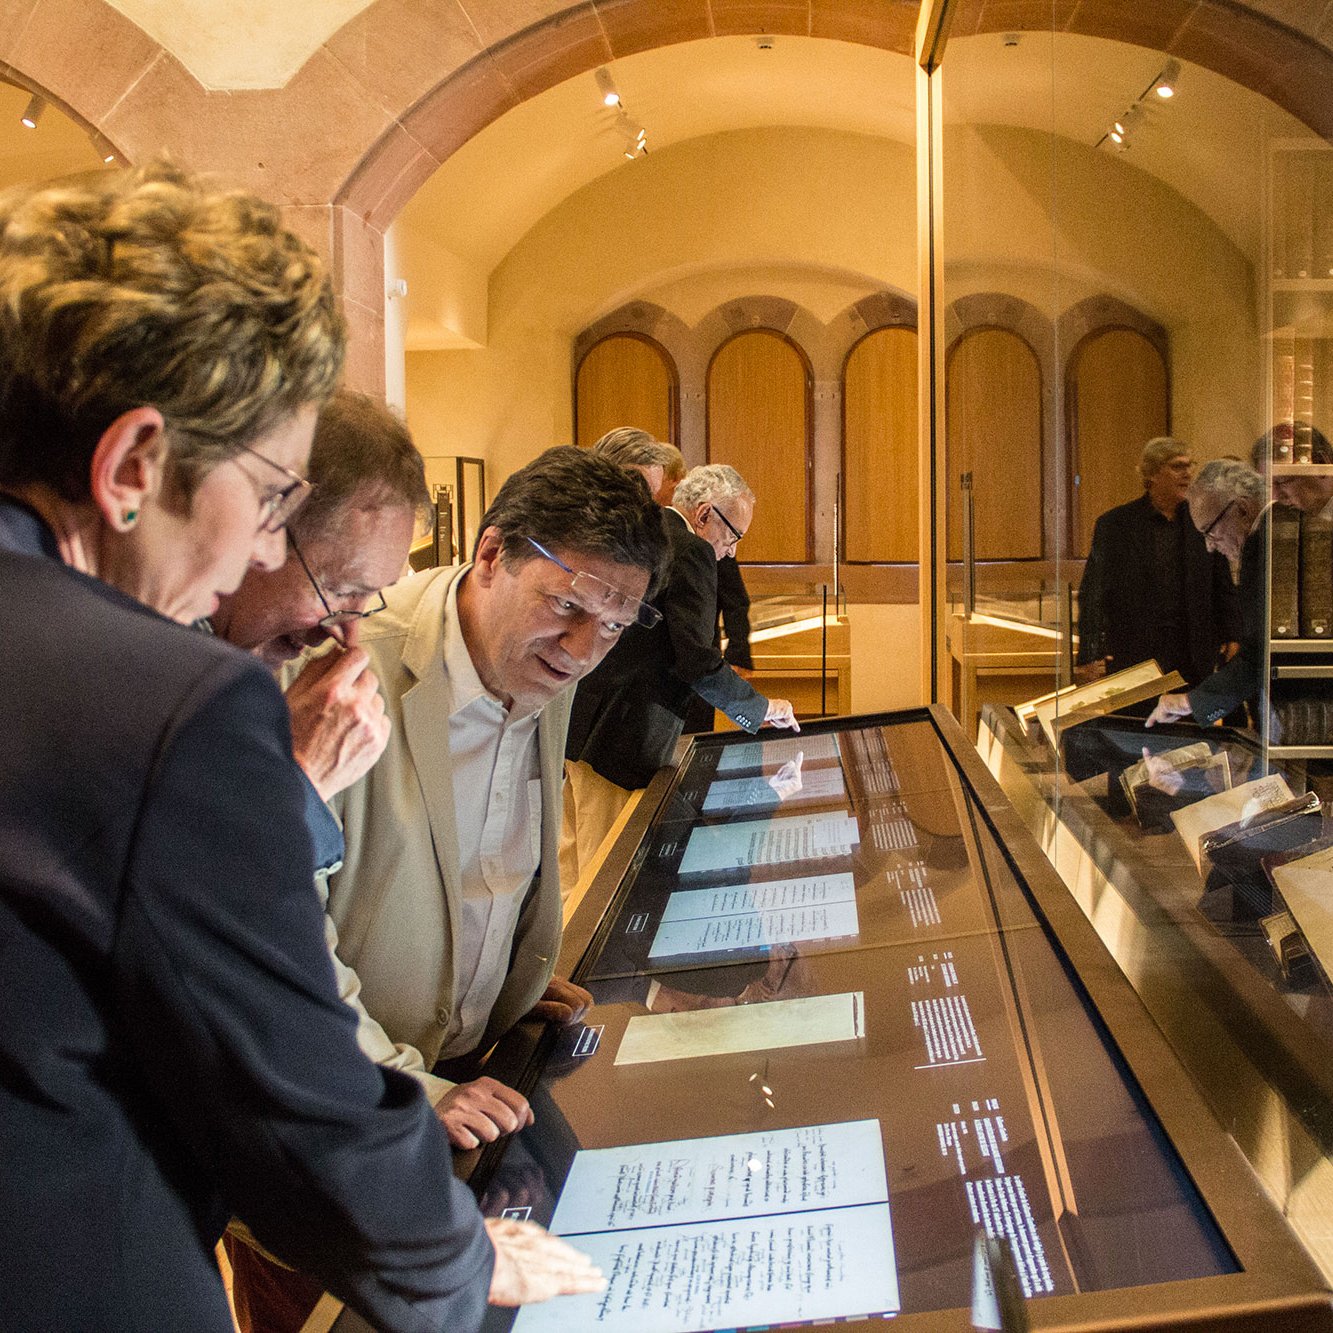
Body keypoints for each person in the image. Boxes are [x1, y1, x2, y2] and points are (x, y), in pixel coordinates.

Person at [0, 164, 599, 1333]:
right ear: (132, 466)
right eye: (272, 497)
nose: (264, 546)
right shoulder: (164, 700)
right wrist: (459, 1262)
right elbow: (288, 1096)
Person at [325, 445, 669, 1142]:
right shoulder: (346, 660)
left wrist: (495, 980)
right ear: (490, 554)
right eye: (565, 603)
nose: (579, 649)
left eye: (612, 624)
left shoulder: (544, 658)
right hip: (347, 1113)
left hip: (475, 1066)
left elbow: (485, 859)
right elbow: (266, 929)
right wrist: (399, 1087)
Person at [563, 460, 799, 888]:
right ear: (706, 514)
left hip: (582, 721)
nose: (730, 551)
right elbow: (697, 660)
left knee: (569, 865)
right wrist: (759, 708)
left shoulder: (645, 527)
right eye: (732, 536)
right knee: (603, 874)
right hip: (624, 738)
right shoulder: (691, 551)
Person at [1077, 437, 1239, 691]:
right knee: (1139, 726)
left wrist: (1233, 635)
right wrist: (1090, 652)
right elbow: (1094, 592)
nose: (1187, 474)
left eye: (1189, 466)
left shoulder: (1204, 522)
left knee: (1189, 727)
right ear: (1151, 474)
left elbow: (1222, 584)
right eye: (1177, 467)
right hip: (1136, 653)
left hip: (1193, 653)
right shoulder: (1115, 525)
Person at [1147, 459, 1269, 728]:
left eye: (1210, 532)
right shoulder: (1260, 544)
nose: (1210, 547)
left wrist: (1193, 702)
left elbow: (1260, 655)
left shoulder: (1265, 548)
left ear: (1242, 509)